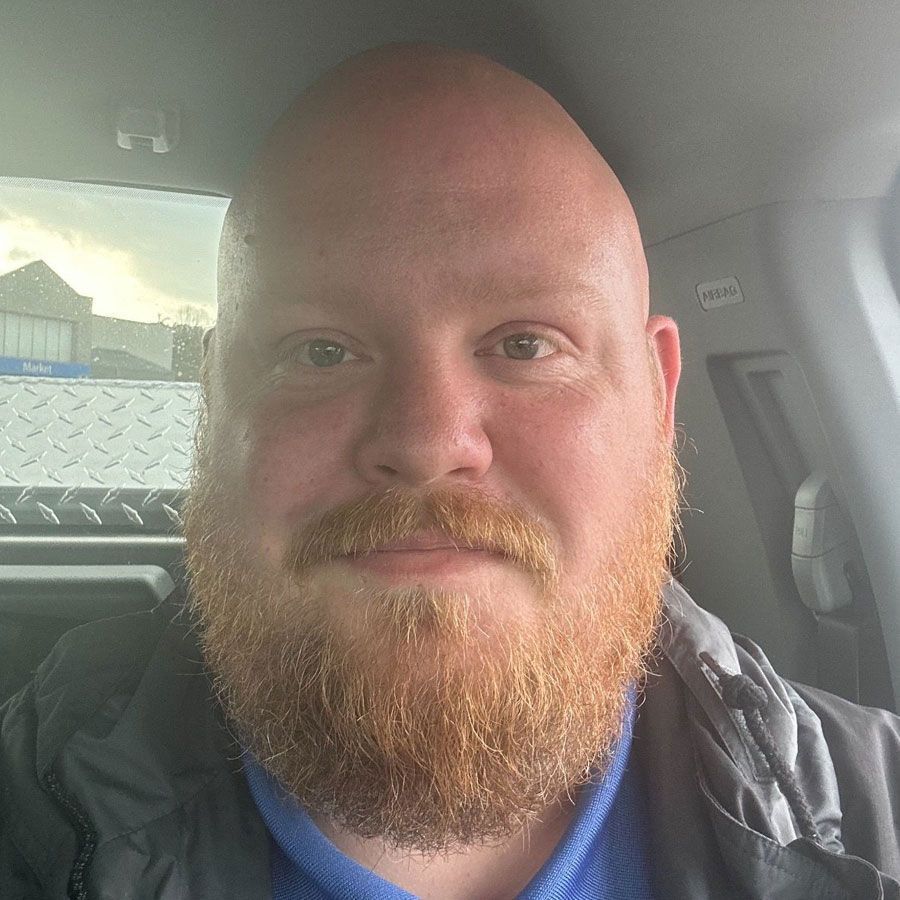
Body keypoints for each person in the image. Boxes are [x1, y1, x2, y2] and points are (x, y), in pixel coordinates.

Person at [1, 44, 899, 900]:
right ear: (213, 404)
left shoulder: (877, 821)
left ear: (658, 405)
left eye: (524, 343)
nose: (428, 441)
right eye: (321, 351)